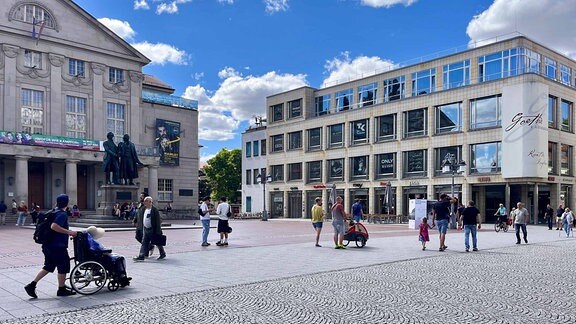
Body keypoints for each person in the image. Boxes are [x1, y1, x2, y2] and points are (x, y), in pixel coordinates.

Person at [24, 194, 77, 298]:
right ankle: (61, 289)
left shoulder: (53, 211)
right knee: (63, 266)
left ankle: (31, 285)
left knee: (49, 266)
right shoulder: (62, 214)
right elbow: (54, 226)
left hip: (47, 245)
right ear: (66, 203)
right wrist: (69, 232)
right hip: (57, 246)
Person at [133, 196, 166, 261]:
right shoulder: (144, 209)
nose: (144, 202)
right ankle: (141, 256)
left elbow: (158, 221)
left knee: (157, 242)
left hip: (152, 229)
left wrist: (158, 231)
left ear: (150, 202)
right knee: (144, 242)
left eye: (146, 201)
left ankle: (162, 253)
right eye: (144, 201)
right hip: (145, 229)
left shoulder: (154, 210)